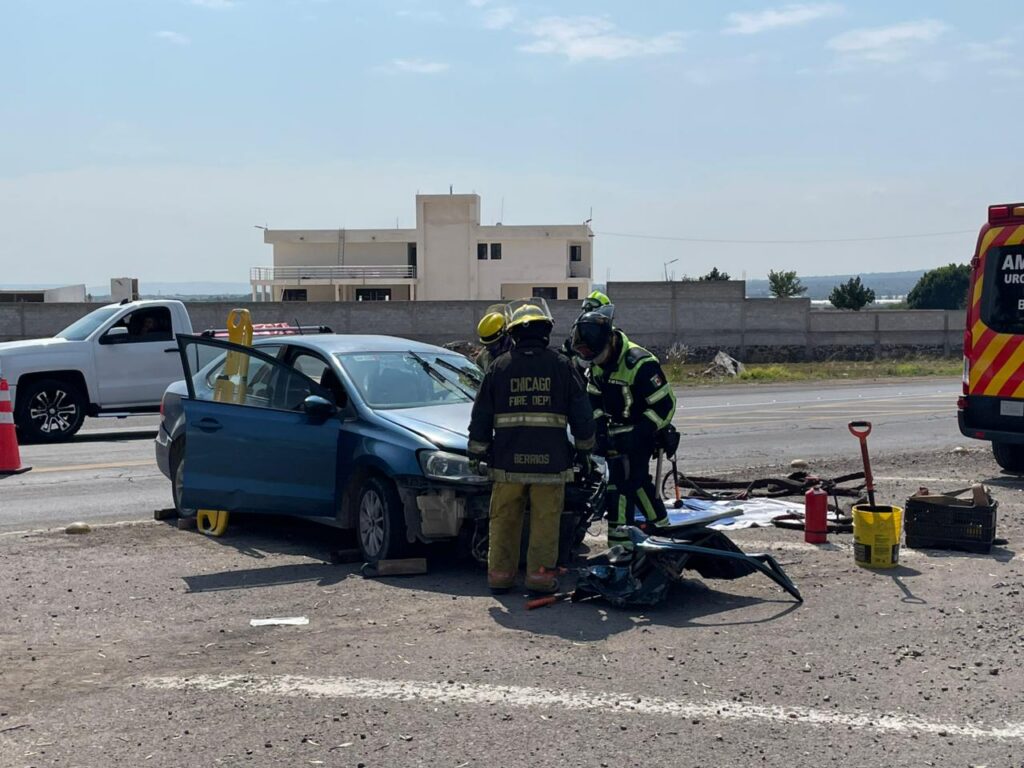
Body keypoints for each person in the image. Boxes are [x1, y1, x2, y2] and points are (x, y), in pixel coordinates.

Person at [468, 298, 596, 595]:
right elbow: (582, 415)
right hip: (550, 465)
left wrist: (476, 453)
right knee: (545, 522)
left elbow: (481, 416)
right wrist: (585, 450)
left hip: (507, 464)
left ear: (512, 334)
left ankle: (500, 576)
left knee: (503, 520)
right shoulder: (562, 366)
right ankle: (539, 579)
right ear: (546, 333)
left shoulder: (498, 368)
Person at [571, 308, 677, 556]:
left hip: (640, 434)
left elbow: (665, 404)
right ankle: (643, 538)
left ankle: (641, 541)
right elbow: (593, 398)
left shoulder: (640, 364)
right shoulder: (599, 364)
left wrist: (642, 433)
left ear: (607, 341)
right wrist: (597, 429)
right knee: (626, 486)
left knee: (627, 485)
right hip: (614, 435)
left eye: (592, 354)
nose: (591, 360)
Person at [561, 290, 612, 361]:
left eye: (592, 304)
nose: (588, 309)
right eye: (586, 305)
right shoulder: (579, 328)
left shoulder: (610, 333)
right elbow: (568, 348)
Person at [475, 306, 513, 373]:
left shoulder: (518, 353)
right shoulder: (482, 358)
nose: (488, 348)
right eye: (486, 345)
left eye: (493, 344)